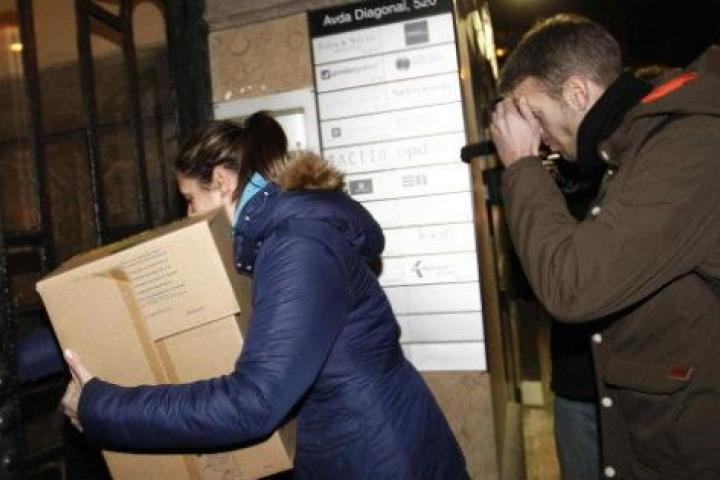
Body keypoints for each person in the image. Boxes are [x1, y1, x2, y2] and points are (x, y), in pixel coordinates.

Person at [60, 112, 468, 479]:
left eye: (190, 200)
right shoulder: (279, 242)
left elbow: (254, 403)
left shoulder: (298, 247)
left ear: (222, 182)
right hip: (363, 450)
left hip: (381, 460)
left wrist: (102, 407)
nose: (188, 216)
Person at [490, 13, 720, 480]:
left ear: (578, 93)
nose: (536, 138)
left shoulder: (687, 144)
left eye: (535, 117)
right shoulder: (633, 146)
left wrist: (521, 166)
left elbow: (573, 286)